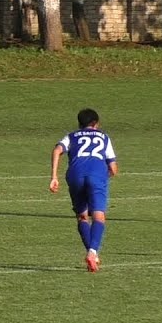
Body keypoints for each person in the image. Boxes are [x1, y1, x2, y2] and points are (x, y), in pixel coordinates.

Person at [50, 108, 118, 273]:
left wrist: (54, 177)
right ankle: (92, 252)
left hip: (75, 175)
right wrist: (103, 178)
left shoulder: (71, 136)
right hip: (97, 175)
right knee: (98, 215)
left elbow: (57, 150)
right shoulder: (104, 137)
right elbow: (113, 168)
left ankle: (92, 254)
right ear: (96, 124)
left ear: (80, 124)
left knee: (82, 216)